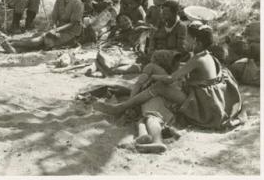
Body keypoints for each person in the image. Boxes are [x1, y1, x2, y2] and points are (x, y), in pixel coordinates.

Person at [95, 22, 242, 130]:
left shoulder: (198, 59)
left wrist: (154, 78)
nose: (185, 41)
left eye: (188, 39)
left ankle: (122, 107)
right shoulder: (204, 54)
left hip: (200, 102)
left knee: (159, 86)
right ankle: (132, 100)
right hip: (197, 92)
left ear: (196, 42)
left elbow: (172, 79)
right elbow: (185, 73)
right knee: (152, 67)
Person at [10, 0, 83, 51]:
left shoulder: (78, 3)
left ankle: (13, 44)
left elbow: (72, 23)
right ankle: (13, 45)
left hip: (70, 34)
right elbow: (54, 18)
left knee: (43, 39)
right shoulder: (59, 1)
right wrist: (54, 28)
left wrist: (56, 30)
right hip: (58, 31)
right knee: (40, 37)